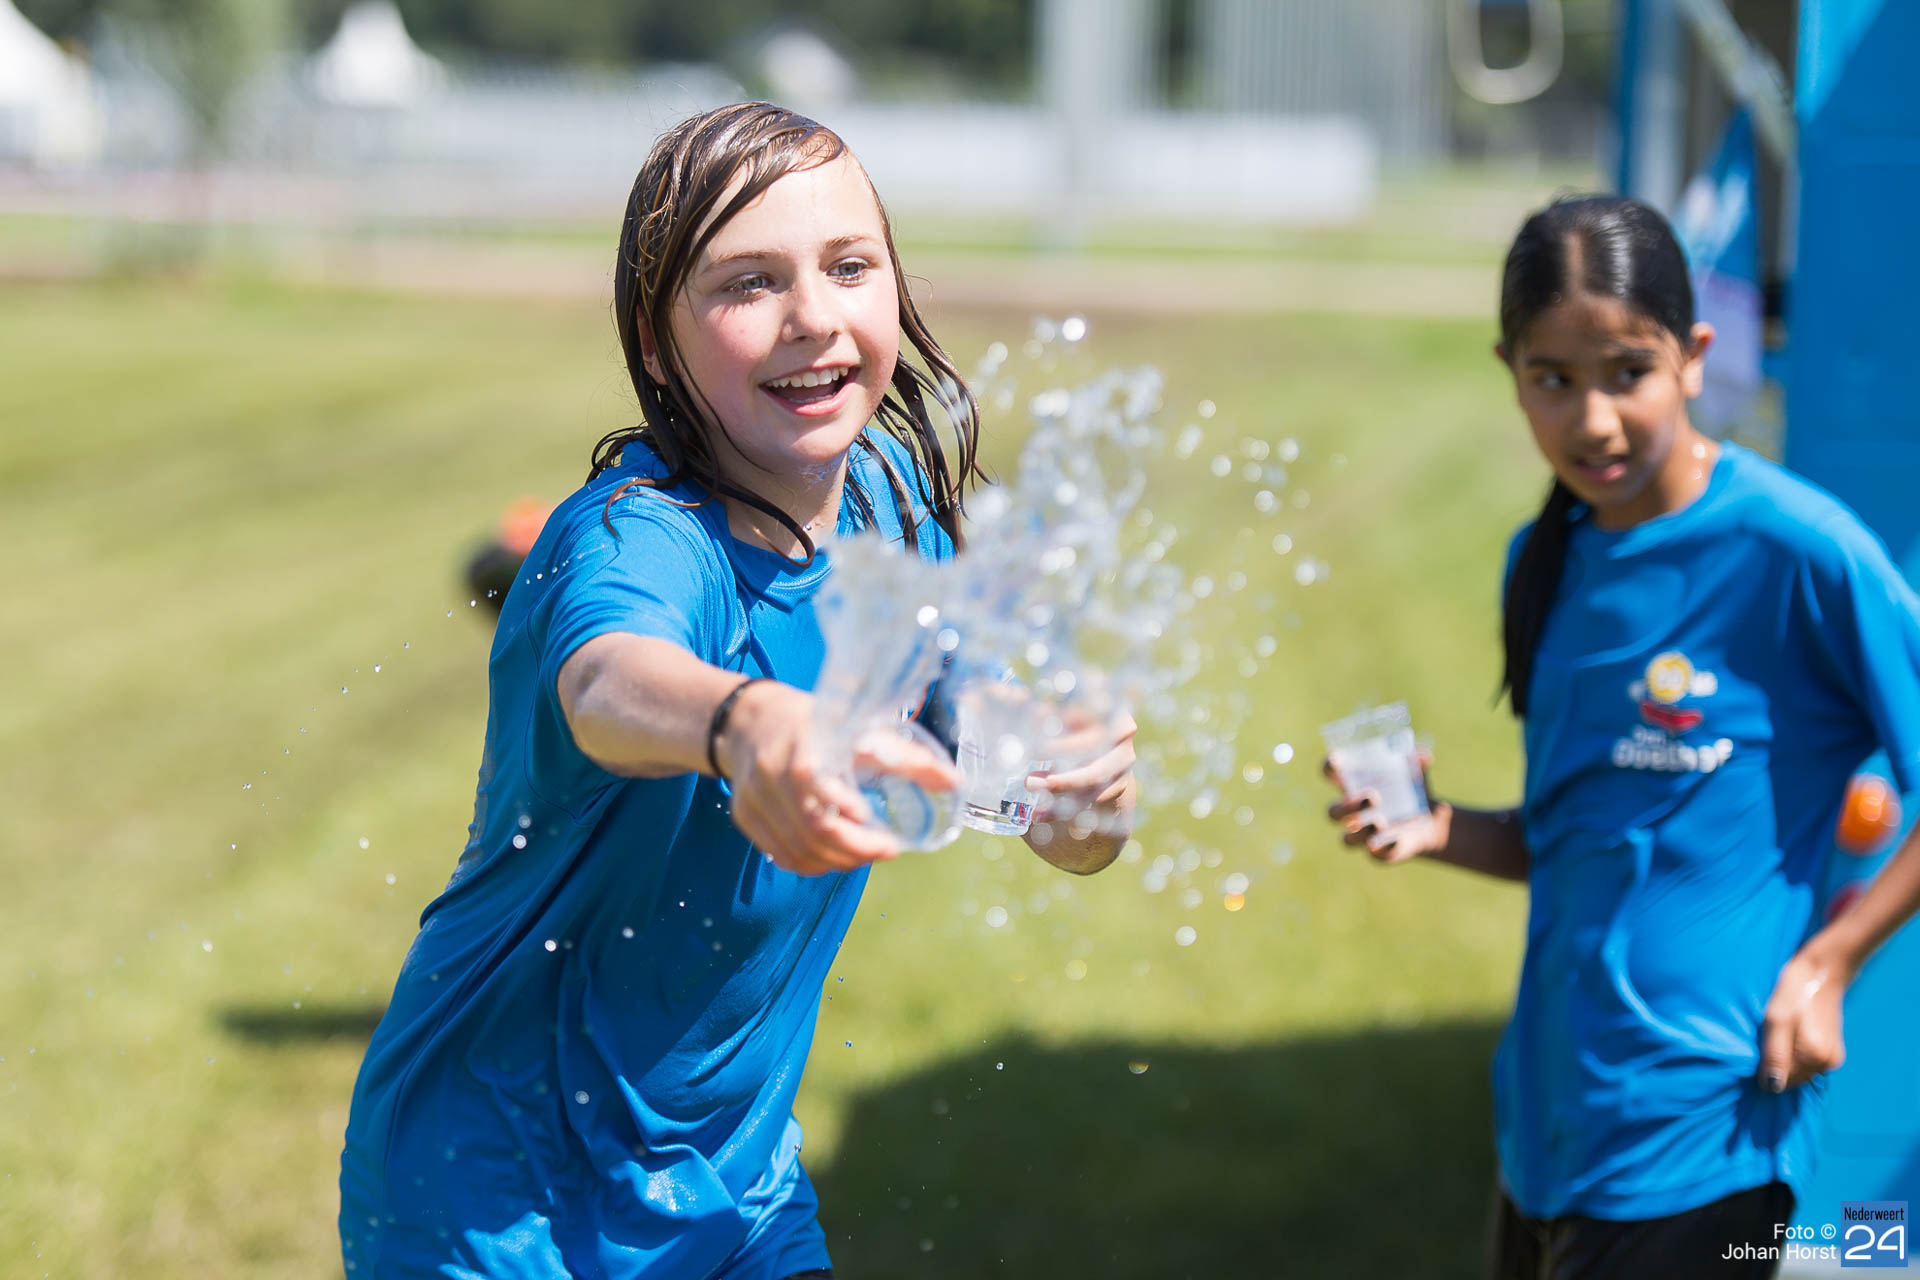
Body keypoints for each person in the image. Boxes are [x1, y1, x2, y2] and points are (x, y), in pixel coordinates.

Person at [339, 102, 1136, 1279]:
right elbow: (609, 678)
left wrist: (1075, 802)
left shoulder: (890, 510)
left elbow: (986, 761)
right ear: (656, 343)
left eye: (849, 266)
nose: (813, 315)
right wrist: (747, 719)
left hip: (734, 1190)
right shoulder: (638, 536)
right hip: (495, 1198)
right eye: (749, 282)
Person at [1326, 194, 1920, 1278]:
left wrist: (1830, 962)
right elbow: (1585, 832)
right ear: (1509, 371)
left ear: (1694, 358)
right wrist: (1439, 826)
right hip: (1550, 1127)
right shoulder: (1544, 561)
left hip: (1709, 1135)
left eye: (1627, 372)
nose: (1592, 420)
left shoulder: (1797, 551)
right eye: (1553, 378)